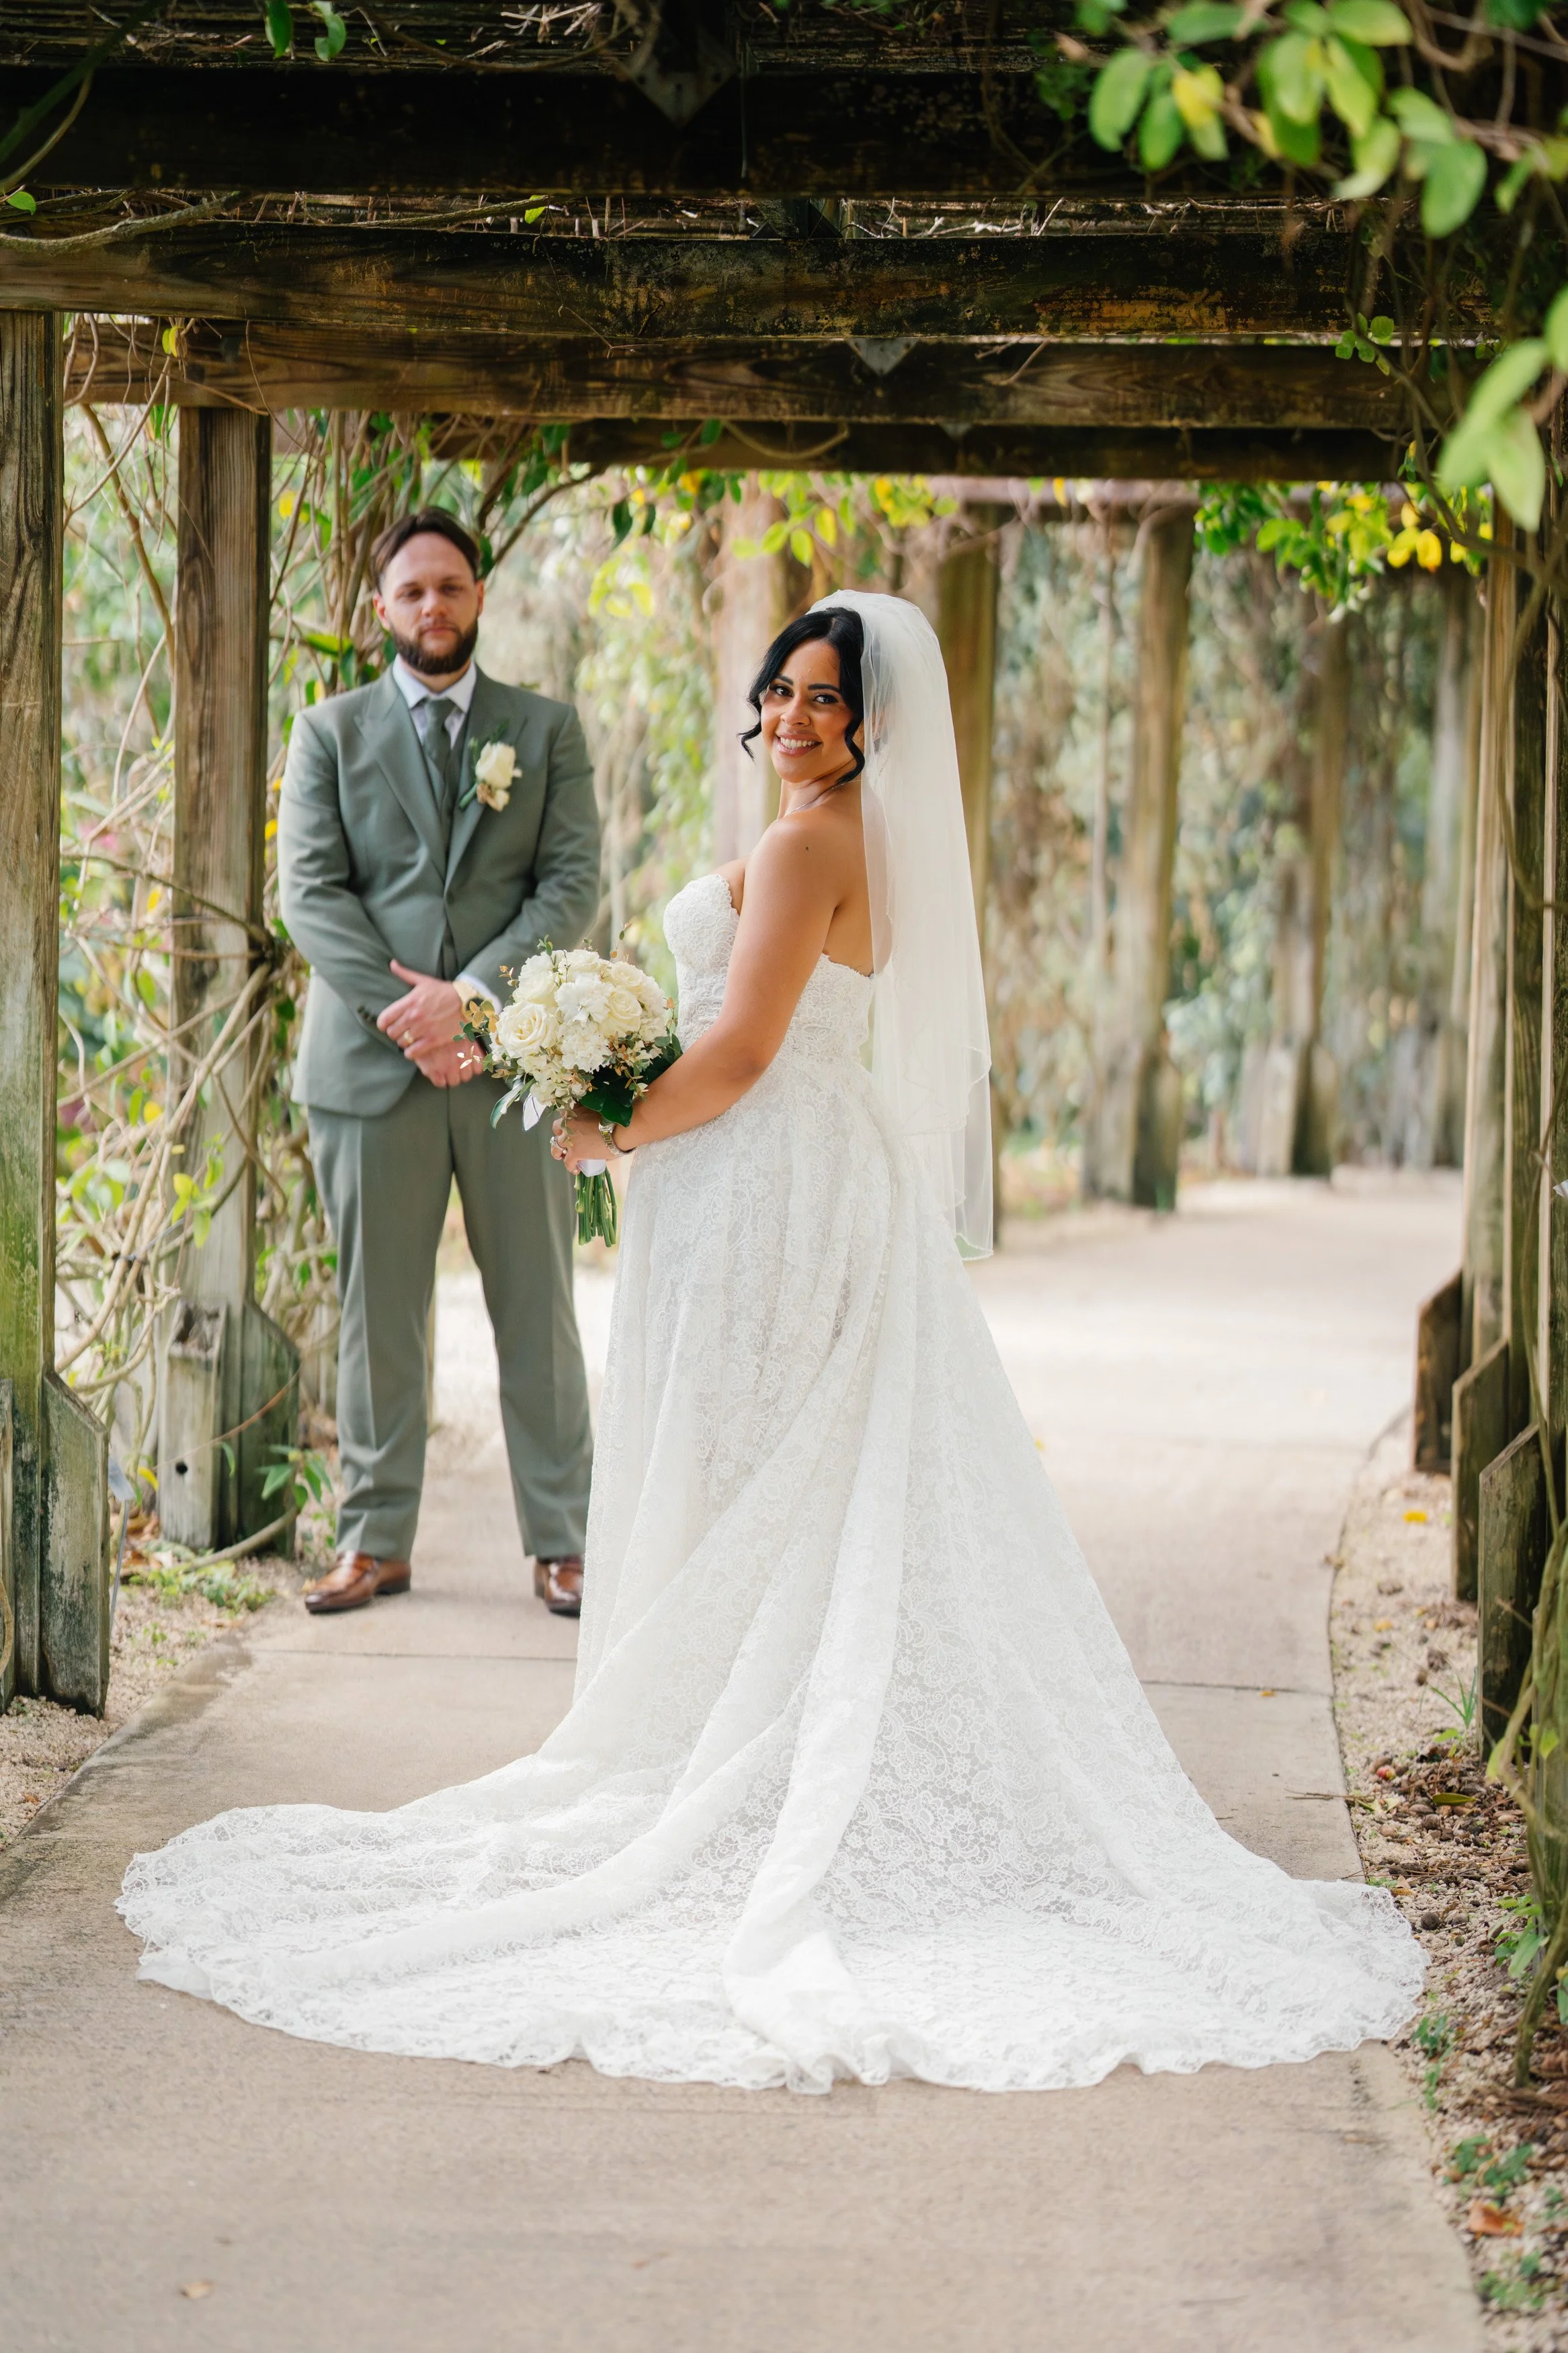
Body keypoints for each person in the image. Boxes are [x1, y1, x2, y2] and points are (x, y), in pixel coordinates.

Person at [121, 592, 1421, 2092]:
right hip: (786, 1178)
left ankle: (746, 1775)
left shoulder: (813, 843)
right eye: (781, 692)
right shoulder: (845, 832)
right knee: (781, 1478)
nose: (794, 718)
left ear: (873, 721)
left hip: (769, 1188)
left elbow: (738, 1051)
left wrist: (603, 1122)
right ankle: (762, 1741)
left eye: (824, 698)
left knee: (752, 1471)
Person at [276, 509, 599, 1620]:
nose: (433, 607)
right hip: (369, 1072)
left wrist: (471, 1001)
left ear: (480, 596)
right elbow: (311, 894)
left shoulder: (546, 732)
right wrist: (408, 1012)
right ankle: (374, 1541)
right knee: (378, 1313)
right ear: (382, 610)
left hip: (510, 1065)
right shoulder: (327, 732)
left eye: (451, 587)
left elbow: (567, 890)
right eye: (412, 591)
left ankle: (565, 1540)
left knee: (538, 1305)